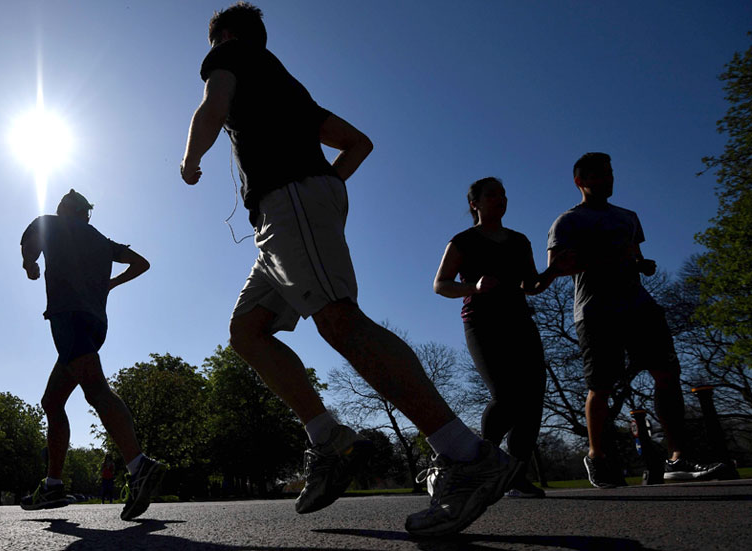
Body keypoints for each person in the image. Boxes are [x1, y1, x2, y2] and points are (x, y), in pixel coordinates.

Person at [180, 2, 520, 537]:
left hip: (290, 201)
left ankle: (466, 454)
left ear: (225, 36)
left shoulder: (230, 54)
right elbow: (358, 143)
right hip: (287, 212)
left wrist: (191, 160)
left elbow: (212, 106)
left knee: (339, 321)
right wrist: (328, 187)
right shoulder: (287, 88)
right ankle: (328, 438)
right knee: (247, 331)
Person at [547, 152, 726, 488]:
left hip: (639, 306)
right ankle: (597, 455)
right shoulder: (568, 221)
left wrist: (642, 265)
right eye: (599, 175)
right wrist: (605, 258)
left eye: (610, 173)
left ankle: (677, 457)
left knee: (667, 374)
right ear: (580, 181)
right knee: (601, 386)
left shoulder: (628, 217)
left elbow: (635, 257)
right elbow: (557, 267)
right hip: (596, 311)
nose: (608, 180)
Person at [19, 189, 165, 520]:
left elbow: (30, 248)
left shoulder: (49, 223)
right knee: (52, 401)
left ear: (62, 208)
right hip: (97, 324)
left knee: (96, 389)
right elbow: (141, 263)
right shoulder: (102, 240)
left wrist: (30, 266)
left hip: (68, 317)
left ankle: (139, 465)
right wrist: (110, 284)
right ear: (86, 214)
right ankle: (53, 484)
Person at [434, 177, 566, 498]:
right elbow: (441, 284)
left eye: (503, 194)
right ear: (474, 203)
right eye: (492, 194)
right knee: (506, 395)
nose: (500, 199)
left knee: (532, 398)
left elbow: (530, 286)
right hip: (482, 323)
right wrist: (474, 287)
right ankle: (482, 462)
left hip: (520, 322)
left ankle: (515, 476)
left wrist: (554, 271)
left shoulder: (519, 241)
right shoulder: (463, 241)